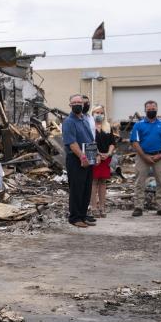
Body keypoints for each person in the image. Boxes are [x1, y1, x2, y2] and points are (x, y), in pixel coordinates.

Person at [130, 100, 161, 217]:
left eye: (153, 109)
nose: (151, 111)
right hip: (142, 156)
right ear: (145, 110)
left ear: (157, 109)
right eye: (149, 109)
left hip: (159, 156)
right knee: (139, 182)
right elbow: (135, 142)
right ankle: (138, 207)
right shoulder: (138, 125)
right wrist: (144, 156)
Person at [62, 94, 96, 228]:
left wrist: (95, 155)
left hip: (88, 159)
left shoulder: (84, 120)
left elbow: (90, 140)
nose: (77, 104)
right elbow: (72, 143)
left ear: (83, 104)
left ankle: (82, 215)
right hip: (76, 160)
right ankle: (74, 217)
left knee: (86, 189)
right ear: (70, 105)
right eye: (74, 102)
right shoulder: (69, 122)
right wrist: (83, 157)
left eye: (79, 102)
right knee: (77, 189)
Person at [90, 105, 115, 218]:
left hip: (106, 158)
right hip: (95, 158)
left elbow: (112, 143)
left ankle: (102, 207)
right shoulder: (89, 126)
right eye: (97, 112)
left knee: (103, 182)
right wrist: (98, 154)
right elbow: (89, 142)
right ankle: (94, 207)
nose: (99, 115)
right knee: (94, 182)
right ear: (92, 113)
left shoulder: (108, 127)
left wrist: (108, 153)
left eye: (101, 113)